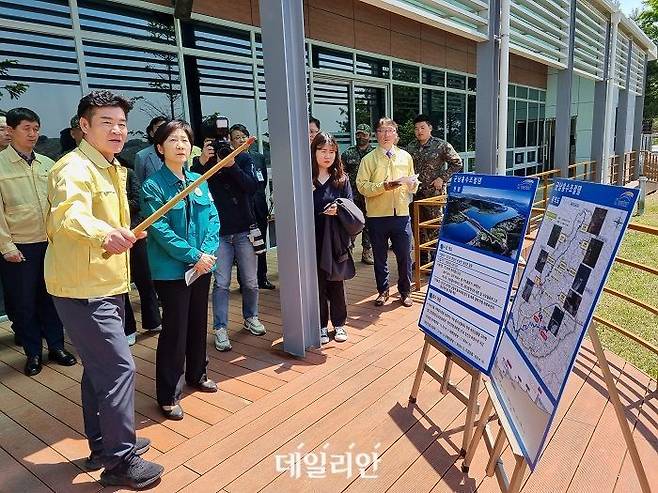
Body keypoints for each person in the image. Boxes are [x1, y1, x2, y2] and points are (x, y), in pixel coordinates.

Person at [45, 90, 163, 488]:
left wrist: (121, 235)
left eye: (121, 124)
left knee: (100, 367)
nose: (117, 130)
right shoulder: (73, 168)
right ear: (84, 126)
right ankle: (118, 463)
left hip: (105, 283)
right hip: (82, 289)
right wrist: (106, 233)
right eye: (106, 123)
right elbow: (68, 215)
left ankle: (103, 444)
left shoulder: (111, 167)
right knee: (117, 368)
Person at [141, 120, 220, 421]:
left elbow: (213, 218)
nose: (180, 145)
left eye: (185, 140)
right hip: (172, 270)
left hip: (202, 266)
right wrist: (193, 255)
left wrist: (208, 252)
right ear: (160, 148)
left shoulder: (200, 179)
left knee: (198, 320)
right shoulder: (153, 186)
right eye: (173, 140)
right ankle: (167, 394)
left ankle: (197, 374)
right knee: (175, 329)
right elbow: (159, 230)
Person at [0, 107, 77, 376]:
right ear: (11, 131)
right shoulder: (0, 165)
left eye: (36, 128)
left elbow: (60, 204)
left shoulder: (47, 163)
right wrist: (7, 247)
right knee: (24, 303)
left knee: (52, 298)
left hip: (50, 244)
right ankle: (33, 353)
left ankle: (56, 347)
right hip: (19, 247)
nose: (33, 134)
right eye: (26, 129)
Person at [191, 126, 266, 353]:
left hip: (244, 229)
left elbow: (252, 186)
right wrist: (203, 161)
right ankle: (220, 327)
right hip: (219, 234)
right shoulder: (203, 164)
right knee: (221, 283)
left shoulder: (242, 159)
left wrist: (231, 164)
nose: (222, 149)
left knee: (251, 281)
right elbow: (195, 185)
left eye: (227, 144)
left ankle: (251, 316)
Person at [356, 117, 418, 308]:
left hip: (401, 214)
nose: (386, 134)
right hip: (377, 216)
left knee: (405, 256)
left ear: (395, 134)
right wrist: (384, 186)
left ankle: (405, 292)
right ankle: (383, 291)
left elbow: (413, 186)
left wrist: (413, 184)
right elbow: (362, 186)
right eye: (382, 131)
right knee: (380, 257)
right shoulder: (368, 159)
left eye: (389, 130)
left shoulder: (405, 156)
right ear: (376, 134)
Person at [312, 132, 354, 344]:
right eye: (322, 151)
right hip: (313, 241)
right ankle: (320, 325)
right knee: (317, 284)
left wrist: (338, 210)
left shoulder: (341, 179)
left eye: (331, 151)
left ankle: (339, 324)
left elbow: (351, 207)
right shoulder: (306, 178)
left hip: (336, 240)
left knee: (336, 283)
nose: (327, 156)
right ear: (314, 152)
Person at [406, 114, 462, 265]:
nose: (419, 131)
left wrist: (442, 178)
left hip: (433, 195)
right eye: (416, 128)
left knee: (435, 226)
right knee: (417, 227)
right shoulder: (410, 147)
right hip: (415, 194)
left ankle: (437, 261)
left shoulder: (441, 145)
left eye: (422, 127)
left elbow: (457, 163)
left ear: (430, 128)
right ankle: (422, 260)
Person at [230, 124, 275, 290]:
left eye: (243, 136)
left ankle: (262, 277)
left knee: (261, 244)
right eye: (237, 138)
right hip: (241, 209)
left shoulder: (258, 157)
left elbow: (261, 182)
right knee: (244, 247)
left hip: (259, 206)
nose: (241, 140)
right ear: (231, 141)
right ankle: (244, 283)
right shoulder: (231, 160)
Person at [341, 123, 375, 265]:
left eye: (364, 134)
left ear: (370, 136)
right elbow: (341, 171)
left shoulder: (375, 154)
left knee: (369, 224)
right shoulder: (348, 153)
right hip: (353, 195)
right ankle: (348, 251)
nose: (361, 137)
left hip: (369, 195)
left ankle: (366, 252)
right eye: (358, 134)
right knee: (351, 223)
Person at [134, 116, 168, 184]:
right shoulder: (142, 156)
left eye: (165, 127)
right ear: (151, 133)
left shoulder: (178, 151)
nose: (163, 130)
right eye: (159, 128)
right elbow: (140, 183)